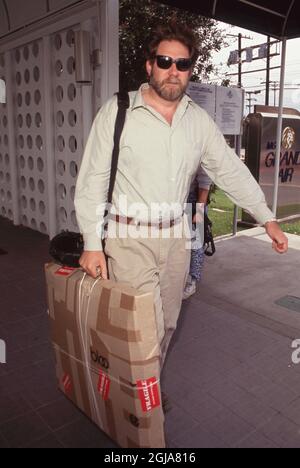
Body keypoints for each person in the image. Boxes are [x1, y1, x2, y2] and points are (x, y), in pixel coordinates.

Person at [74, 20, 288, 371]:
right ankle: (139, 405)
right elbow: (92, 180)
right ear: (149, 65)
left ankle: (146, 385)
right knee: (139, 326)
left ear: (190, 70)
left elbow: (230, 170)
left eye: (182, 64)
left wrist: (266, 217)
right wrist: (92, 243)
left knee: (168, 322)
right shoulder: (119, 111)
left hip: (175, 238)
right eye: (164, 62)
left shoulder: (198, 121)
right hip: (129, 237)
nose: (173, 71)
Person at [183, 168, 211, 300]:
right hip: (179, 201)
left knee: (195, 243)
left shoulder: (198, 150)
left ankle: (192, 281)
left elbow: (205, 183)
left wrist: (199, 211)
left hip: (194, 201)